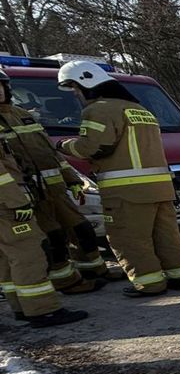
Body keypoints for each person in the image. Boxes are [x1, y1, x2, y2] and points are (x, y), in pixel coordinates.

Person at [56, 62, 180, 297]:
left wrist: (64, 146)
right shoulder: (140, 110)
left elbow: (93, 146)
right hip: (159, 187)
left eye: (75, 89)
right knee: (167, 235)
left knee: (129, 239)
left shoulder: (98, 110)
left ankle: (149, 283)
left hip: (126, 192)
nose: (76, 95)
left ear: (85, 84)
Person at [0, 69, 116, 289]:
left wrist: (72, 179)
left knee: (81, 229)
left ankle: (93, 270)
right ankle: (67, 281)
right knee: (53, 237)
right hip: (29, 194)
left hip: (56, 188)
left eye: (0, 86)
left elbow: (51, 153)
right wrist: (16, 199)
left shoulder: (22, 114)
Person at [0, 136, 86, 327]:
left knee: (8, 259)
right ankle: (43, 311)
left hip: (5, 205)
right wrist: (16, 203)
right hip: (7, 207)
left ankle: (22, 307)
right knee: (29, 255)